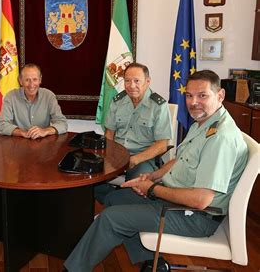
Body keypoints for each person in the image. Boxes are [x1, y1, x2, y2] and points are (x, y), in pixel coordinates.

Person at [64, 70, 249, 271]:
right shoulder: (203, 122)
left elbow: (201, 200)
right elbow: (180, 160)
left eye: (202, 95)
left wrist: (151, 188)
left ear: (220, 95)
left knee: (111, 218)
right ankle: (151, 262)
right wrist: (152, 176)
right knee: (113, 200)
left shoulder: (221, 138)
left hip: (194, 215)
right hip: (175, 197)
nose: (193, 102)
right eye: (189, 95)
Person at [94, 63, 172, 202]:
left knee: (137, 187)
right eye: (127, 81)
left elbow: (162, 145)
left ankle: (117, 209)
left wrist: (135, 159)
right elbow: (109, 133)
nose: (131, 85)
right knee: (91, 181)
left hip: (142, 158)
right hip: (116, 155)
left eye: (137, 81)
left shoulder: (158, 106)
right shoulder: (118, 101)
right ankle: (113, 205)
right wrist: (109, 156)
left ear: (147, 82)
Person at [0, 63, 67, 139]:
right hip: (17, 145)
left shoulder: (49, 96)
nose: (31, 84)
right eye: (27, 80)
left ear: (40, 80)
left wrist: (45, 131)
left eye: (35, 79)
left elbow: (62, 123)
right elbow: (1, 125)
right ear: (20, 81)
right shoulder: (11, 97)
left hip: (43, 146)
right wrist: (22, 132)